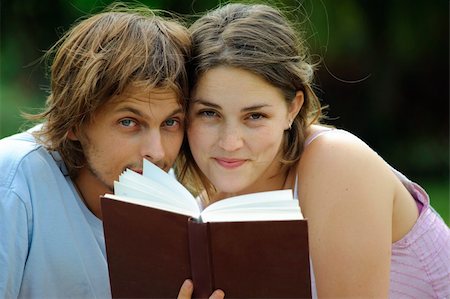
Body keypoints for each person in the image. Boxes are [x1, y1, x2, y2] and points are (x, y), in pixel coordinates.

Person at [177, 3, 450, 298]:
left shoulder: (337, 164)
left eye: (255, 116)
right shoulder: (206, 208)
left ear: (292, 109)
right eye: (209, 114)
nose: (230, 142)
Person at [0, 4, 224, 299]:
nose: (155, 153)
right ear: (74, 122)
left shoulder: (168, 199)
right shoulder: (14, 179)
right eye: (129, 122)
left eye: (170, 122)